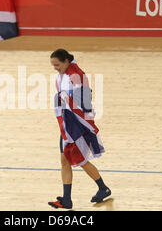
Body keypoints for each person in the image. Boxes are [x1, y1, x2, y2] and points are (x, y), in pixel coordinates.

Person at [48, 49, 111, 209]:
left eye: (57, 64)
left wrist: (85, 122)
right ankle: (67, 199)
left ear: (66, 61)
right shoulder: (64, 73)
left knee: (79, 160)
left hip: (75, 125)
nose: (55, 68)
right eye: (53, 65)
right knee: (64, 160)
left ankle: (103, 188)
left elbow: (85, 99)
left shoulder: (76, 75)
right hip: (66, 124)